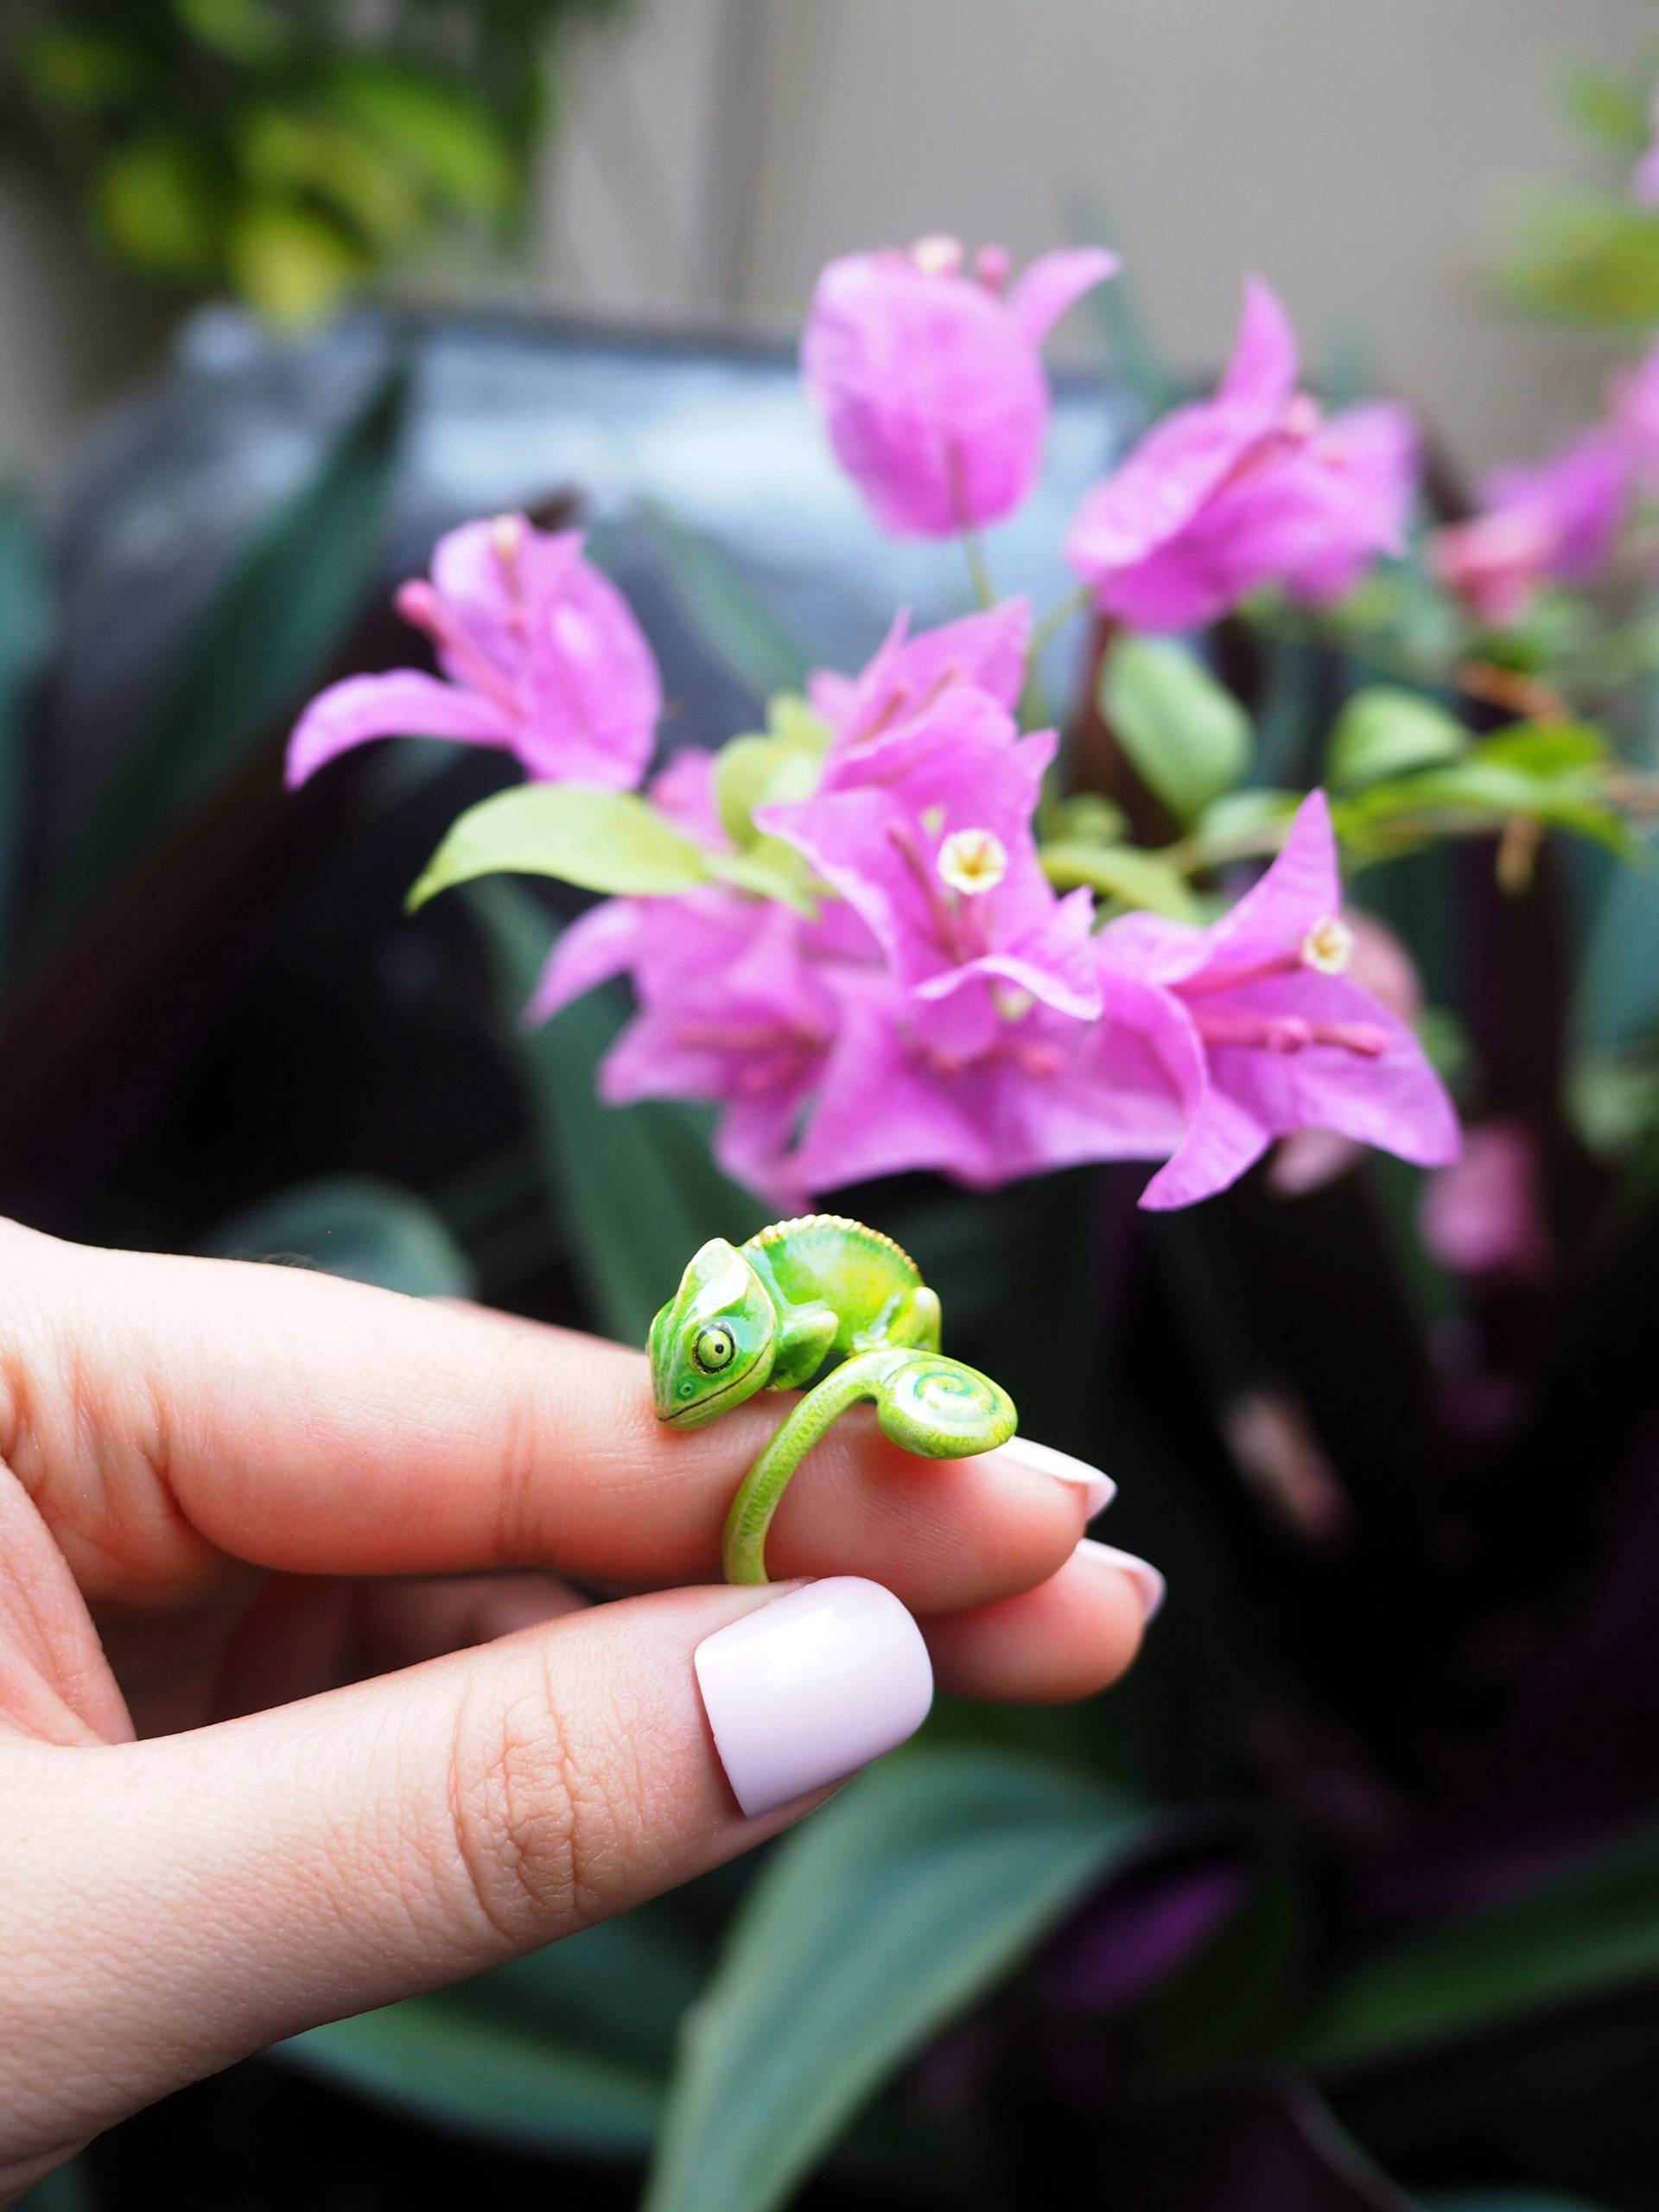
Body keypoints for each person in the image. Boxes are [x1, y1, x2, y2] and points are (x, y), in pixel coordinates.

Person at [0, 1218, 1161, 2196]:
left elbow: (830, 1328)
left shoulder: (795, 1325)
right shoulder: (729, 1325)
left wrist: (867, 1375)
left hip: (876, 1335)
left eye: (706, 1354)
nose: (680, 1381)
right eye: (680, 1349)